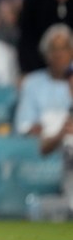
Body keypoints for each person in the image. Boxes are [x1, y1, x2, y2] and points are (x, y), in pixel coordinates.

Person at [15, 24, 73, 155]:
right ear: (46, 54)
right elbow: (24, 126)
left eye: (64, 48)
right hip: (42, 152)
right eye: (53, 49)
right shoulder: (32, 83)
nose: (59, 54)